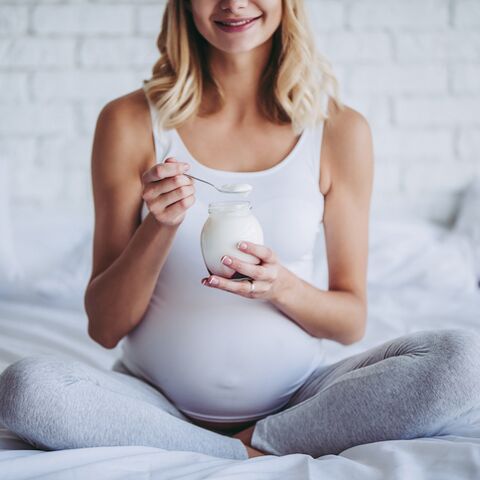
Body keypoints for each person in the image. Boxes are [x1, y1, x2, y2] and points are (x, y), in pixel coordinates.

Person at [1, 0, 480, 462]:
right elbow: (104, 329)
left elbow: (350, 320)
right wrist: (160, 228)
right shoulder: (129, 123)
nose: (234, 3)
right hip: (151, 400)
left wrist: (282, 286)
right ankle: (240, 453)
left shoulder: (338, 131)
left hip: (301, 400)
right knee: (26, 389)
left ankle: (254, 440)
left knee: (463, 361)